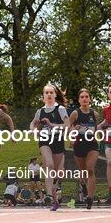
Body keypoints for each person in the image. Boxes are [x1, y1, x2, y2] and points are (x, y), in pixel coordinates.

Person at [30, 83, 69, 211]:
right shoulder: (39, 111)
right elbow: (33, 124)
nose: (49, 95)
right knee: (49, 165)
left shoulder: (60, 109)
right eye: (46, 93)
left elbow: (67, 125)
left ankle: (54, 196)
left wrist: (52, 124)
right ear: (43, 97)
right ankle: (48, 195)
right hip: (44, 140)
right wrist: (34, 130)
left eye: (51, 92)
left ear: (55, 95)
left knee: (58, 172)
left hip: (57, 140)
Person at [69, 88, 99, 209]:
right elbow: (68, 129)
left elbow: (96, 128)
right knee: (83, 172)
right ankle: (83, 186)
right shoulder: (75, 113)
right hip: (79, 144)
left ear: (90, 99)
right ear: (79, 100)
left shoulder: (94, 114)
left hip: (92, 144)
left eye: (87, 96)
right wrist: (74, 131)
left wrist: (97, 136)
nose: (85, 99)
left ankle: (90, 198)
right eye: (82, 97)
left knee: (90, 169)